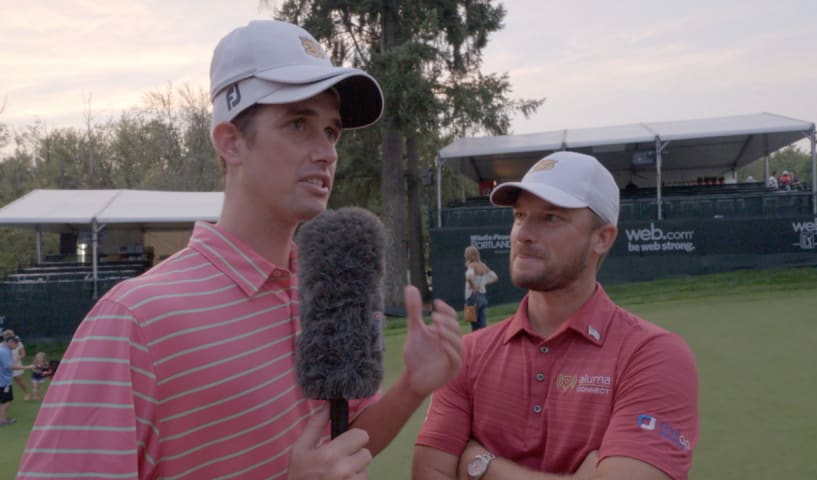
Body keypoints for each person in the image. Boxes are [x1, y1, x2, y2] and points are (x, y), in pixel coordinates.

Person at [19, 19, 462, 480]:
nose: (327, 152)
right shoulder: (134, 321)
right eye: (298, 124)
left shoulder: (329, 293)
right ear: (231, 141)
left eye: (331, 132)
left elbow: (341, 442)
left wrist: (411, 387)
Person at [413, 151, 699, 480]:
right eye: (520, 216)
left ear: (602, 238)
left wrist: (480, 465)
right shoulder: (468, 354)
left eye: (551, 218)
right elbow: (428, 474)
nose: (523, 234)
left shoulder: (654, 355)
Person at [464, 246, 498, 331]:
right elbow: (494, 277)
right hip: (482, 296)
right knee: (482, 325)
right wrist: (484, 283)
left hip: (473, 296)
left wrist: (472, 286)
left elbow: (469, 276)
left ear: (468, 255)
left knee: (475, 326)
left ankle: (475, 343)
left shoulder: (471, 265)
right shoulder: (482, 265)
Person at [1, 335, 32, 425]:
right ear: (9, 342)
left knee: (5, 400)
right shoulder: (4, 352)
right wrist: (27, 367)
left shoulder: (6, 350)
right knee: (6, 400)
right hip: (3, 381)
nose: (17, 345)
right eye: (15, 343)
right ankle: (2, 420)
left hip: (3, 380)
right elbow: (9, 366)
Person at [2, 329, 30, 400]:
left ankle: (27, 393)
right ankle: (6, 395)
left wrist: (18, 359)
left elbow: (23, 354)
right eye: (6, 336)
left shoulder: (18, 343)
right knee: (5, 381)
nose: (8, 337)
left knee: (18, 379)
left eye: (10, 335)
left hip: (16, 364)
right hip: (6, 367)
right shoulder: (2, 345)